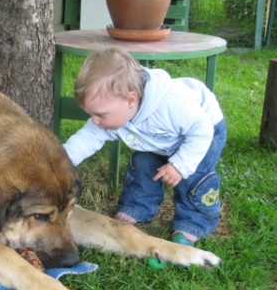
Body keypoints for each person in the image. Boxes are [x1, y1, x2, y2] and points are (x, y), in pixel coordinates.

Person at [63, 48, 227, 246]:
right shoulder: (116, 110)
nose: (95, 121)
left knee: (193, 177)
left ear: (131, 100)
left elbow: (202, 130)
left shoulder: (171, 105)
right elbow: (86, 138)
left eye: (101, 114)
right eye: (92, 114)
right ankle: (137, 207)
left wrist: (179, 165)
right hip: (158, 139)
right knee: (143, 163)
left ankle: (193, 222)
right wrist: (60, 161)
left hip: (201, 133)